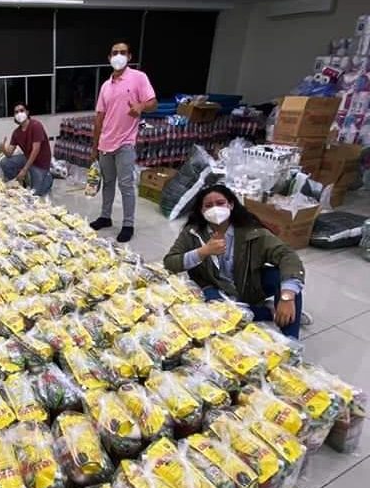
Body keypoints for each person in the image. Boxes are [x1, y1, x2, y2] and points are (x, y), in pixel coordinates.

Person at [163, 185, 308, 339]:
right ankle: (268, 312)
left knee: (286, 281)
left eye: (220, 203)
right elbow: (170, 262)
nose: (215, 209)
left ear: (231, 205)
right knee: (213, 315)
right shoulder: (193, 232)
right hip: (214, 287)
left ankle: (291, 342)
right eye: (208, 205)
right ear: (201, 210)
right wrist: (203, 252)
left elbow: (288, 256)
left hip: (249, 284)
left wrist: (287, 298)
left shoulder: (251, 231)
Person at [89, 41, 158, 242]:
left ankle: (128, 224)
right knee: (108, 183)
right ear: (109, 58)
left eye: (122, 52)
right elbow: (99, 117)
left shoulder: (138, 78)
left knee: (126, 185)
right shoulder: (105, 86)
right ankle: (105, 216)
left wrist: (141, 107)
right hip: (105, 143)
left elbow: (153, 102)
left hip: (125, 142)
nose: (118, 56)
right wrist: (94, 147)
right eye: (114, 53)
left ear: (129, 56)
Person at [0, 102, 53, 196]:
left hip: (40, 163)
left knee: (36, 193)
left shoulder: (36, 125)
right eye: (16, 112)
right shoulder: (16, 133)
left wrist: (24, 170)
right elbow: (9, 154)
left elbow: (36, 150)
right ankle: (18, 183)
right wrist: (3, 149)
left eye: (21, 110)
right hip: (27, 158)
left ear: (27, 112)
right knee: (4, 162)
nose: (19, 114)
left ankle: (48, 178)